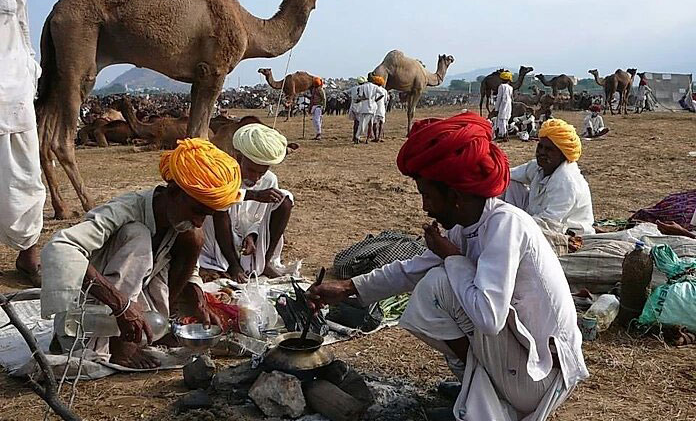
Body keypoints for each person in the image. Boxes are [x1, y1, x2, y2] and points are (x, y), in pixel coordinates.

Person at [308, 113, 587, 421]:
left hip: (540, 378)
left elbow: (490, 318)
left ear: (455, 196)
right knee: (435, 278)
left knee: (438, 284)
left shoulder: (504, 224)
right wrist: (347, 288)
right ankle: (479, 387)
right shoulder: (467, 223)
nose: (425, 207)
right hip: (520, 364)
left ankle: (492, 393)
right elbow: (410, 269)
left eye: (428, 196)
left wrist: (453, 258)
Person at [41, 139, 239, 368]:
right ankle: (118, 344)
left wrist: (198, 300)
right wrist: (120, 305)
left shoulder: (180, 222)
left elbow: (190, 267)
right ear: (174, 192)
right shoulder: (124, 210)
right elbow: (61, 247)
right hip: (90, 317)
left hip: (136, 314)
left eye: (206, 215)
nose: (198, 220)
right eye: (197, 210)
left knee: (194, 236)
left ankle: (152, 330)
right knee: (138, 235)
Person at [0, 0, 46, 287]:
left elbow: (20, 20)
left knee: (24, 174)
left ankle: (28, 254)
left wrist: (30, 68)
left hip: (12, 81)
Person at [198, 123, 293, 281]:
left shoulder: (270, 180)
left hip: (248, 245)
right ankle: (233, 265)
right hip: (218, 240)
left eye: (261, 172)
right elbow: (221, 206)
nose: (256, 178)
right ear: (239, 157)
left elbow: (259, 218)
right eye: (251, 170)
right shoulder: (224, 174)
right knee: (220, 206)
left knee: (285, 198)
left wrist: (252, 235)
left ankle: (265, 263)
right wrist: (253, 195)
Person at [504, 119, 595, 237]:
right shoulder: (537, 167)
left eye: (549, 149)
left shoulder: (566, 182)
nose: (541, 152)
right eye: (540, 146)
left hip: (564, 230)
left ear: (563, 154)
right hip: (535, 218)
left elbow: (549, 222)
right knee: (507, 182)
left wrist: (513, 223)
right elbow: (508, 174)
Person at [494, 71, 513, 141]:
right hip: (509, 105)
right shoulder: (511, 88)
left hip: (503, 105)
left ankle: (504, 135)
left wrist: (496, 109)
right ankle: (504, 134)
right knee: (506, 120)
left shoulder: (501, 86)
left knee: (502, 120)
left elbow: (499, 98)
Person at [370, 75, 388, 142]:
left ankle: (376, 137)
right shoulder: (384, 91)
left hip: (374, 107)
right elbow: (385, 100)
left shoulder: (373, 90)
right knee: (381, 123)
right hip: (382, 108)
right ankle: (379, 137)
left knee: (374, 123)